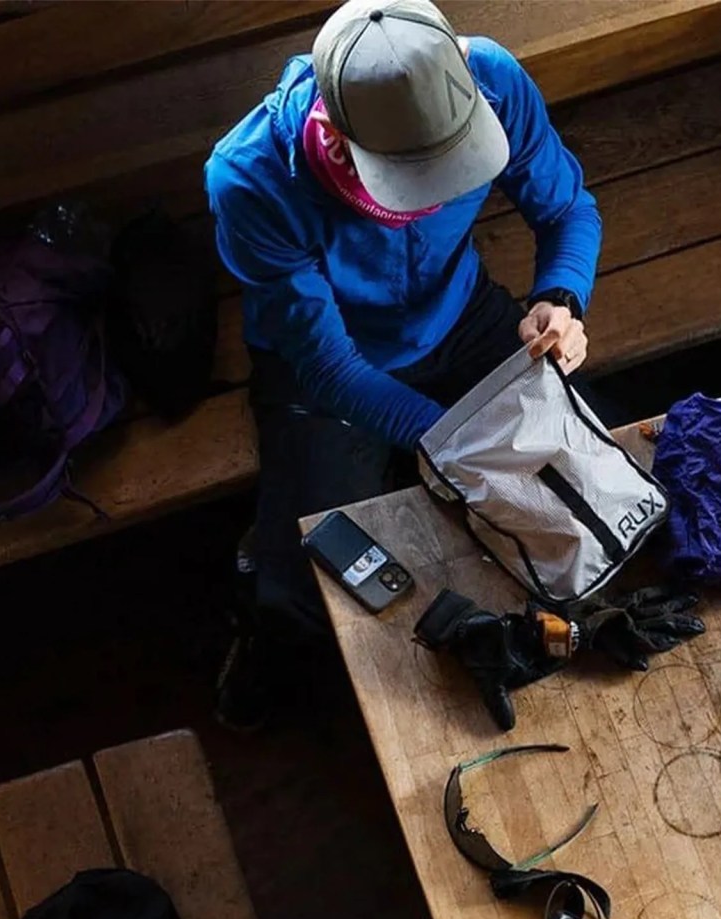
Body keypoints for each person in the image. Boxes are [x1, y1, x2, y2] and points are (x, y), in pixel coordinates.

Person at [206, 0, 602, 729]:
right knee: (305, 585)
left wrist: (560, 299)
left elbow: (568, 209)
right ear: (340, 137)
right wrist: (454, 442)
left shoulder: (491, 78)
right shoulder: (251, 177)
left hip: (461, 316)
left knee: (582, 491)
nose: (440, 195)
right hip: (321, 368)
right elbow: (330, 369)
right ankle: (272, 651)